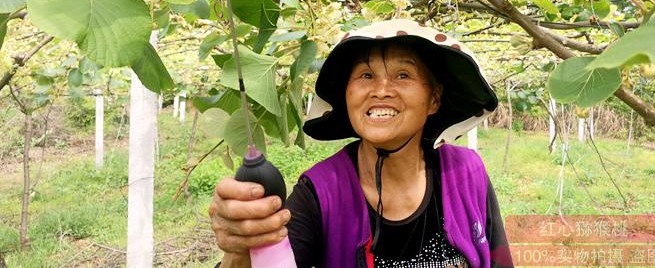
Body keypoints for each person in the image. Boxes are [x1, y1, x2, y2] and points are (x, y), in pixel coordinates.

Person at [210, 20, 514, 267]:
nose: (381, 90)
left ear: (434, 98)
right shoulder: (319, 192)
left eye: (403, 75)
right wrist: (241, 251)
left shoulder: (466, 171)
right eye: (366, 75)